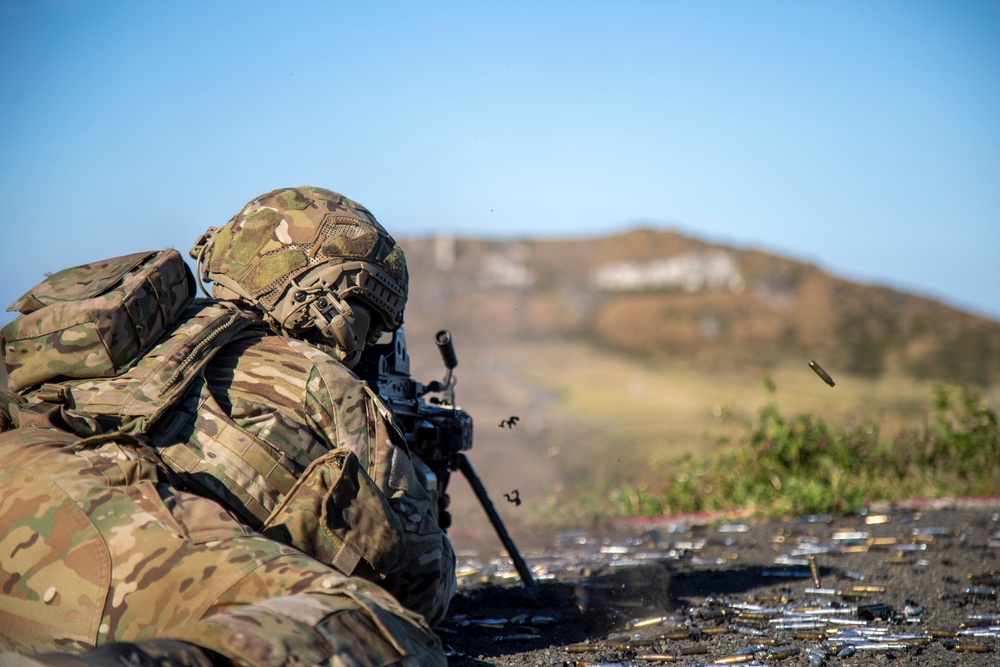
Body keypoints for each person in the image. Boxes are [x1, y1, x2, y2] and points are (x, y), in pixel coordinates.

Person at [0, 187, 454, 666]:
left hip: (24, 498)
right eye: (372, 323)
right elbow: (417, 582)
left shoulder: (143, 337)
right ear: (333, 303)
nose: (368, 343)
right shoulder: (320, 378)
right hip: (100, 541)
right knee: (380, 632)